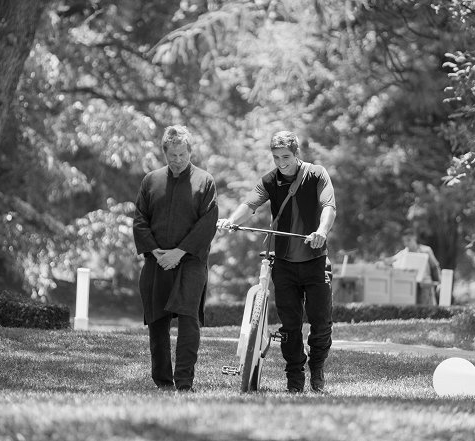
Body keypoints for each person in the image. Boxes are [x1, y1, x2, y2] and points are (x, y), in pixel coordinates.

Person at [217, 130, 336, 393]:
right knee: (290, 326)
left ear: (296, 154)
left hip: (315, 261)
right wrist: (231, 220)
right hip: (283, 264)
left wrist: (321, 232)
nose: (281, 162)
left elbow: (329, 207)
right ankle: (295, 378)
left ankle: (317, 369)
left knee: (321, 323)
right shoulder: (270, 180)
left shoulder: (316, 174)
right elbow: (250, 204)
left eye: (286, 157)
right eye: (276, 157)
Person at [133, 125, 218, 392]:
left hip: (190, 262)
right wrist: (156, 252)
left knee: (188, 320)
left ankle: (183, 381)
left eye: (182, 154)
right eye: (173, 155)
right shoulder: (150, 181)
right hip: (156, 260)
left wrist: (179, 252)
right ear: (165, 153)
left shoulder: (205, 182)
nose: (178, 160)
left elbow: (208, 223)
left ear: (190, 151)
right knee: (157, 321)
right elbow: (139, 219)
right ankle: (162, 380)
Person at [384, 228, 441, 304]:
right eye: (404, 241)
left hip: (425, 286)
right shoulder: (402, 254)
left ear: (415, 237)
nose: (406, 243)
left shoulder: (426, 250)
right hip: (409, 287)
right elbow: (391, 261)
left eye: (408, 240)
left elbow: (435, 267)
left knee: (427, 310)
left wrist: (440, 283)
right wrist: (384, 261)